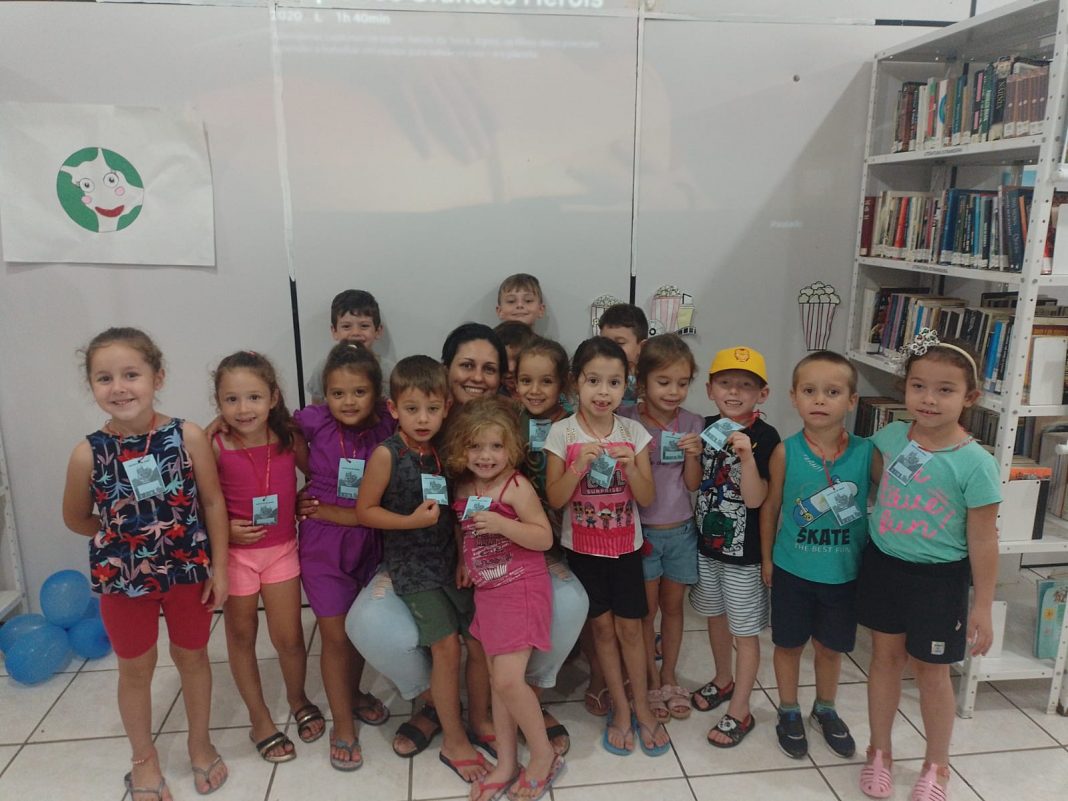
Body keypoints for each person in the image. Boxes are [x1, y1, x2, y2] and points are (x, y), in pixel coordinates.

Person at [346, 324, 586, 763]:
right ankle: (434, 706)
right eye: (467, 365)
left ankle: (517, 699)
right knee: (384, 625)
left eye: (489, 369)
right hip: (421, 556)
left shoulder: (510, 419)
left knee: (561, 604)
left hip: (498, 553)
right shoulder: (412, 434)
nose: (477, 376)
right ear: (446, 370)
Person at [61, 328, 230, 800]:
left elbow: (212, 503)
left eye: (131, 374)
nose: (119, 387)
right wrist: (121, 539)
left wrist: (220, 567)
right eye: (104, 378)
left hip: (187, 573)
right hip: (122, 581)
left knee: (193, 657)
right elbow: (76, 517)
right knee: (135, 669)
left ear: (158, 377)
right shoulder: (87, 453)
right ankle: (143, 758)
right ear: (92, 386)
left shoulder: (188, 436)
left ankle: (200, 743)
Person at [857, 334, 999, 801]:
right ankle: (879, 751)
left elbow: (984, 539)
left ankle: (937, 765)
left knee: (932, 672)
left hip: (939, 581)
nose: (929, 399)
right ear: (905, 388)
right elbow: (874, 482)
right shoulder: (890, 438)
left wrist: (982, 606)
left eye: (945, 390)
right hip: (884, 568)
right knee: (884, 659)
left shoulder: (976, 463)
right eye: (918, 386)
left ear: (970, 397)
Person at [356, 355, 490, 785]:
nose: (423, 418)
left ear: (447, 407)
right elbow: (365, 511)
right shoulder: (386, 454)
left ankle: (481, 720)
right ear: (393, 408)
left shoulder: (444, 451)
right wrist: (409, 521)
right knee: (446, 647)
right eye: (412, 409)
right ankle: (454, 740)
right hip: (412, 566)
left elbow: (455, 513)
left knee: (480, 639)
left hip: (450, 560)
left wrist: (465, 557)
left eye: (432, 408)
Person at [544, 337, 670, 757]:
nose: (603, 391)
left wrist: (631, 468)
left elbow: (647, 498)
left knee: (632, 629)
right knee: (601, 630)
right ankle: (620, 708)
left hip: (626, 548)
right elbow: (555, 498)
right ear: (575, 383)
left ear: (626, 386)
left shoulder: (634, 432)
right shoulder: (561, 433)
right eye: (593, 380)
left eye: (614, 382)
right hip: (583, 550)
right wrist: (579, 466)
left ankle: (643, 708)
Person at [446, 397, 563, 801]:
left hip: (521, 588)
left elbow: (543, 537)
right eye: (476, 446)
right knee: (499, 682)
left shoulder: (516, 487)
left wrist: (502, 524)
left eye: (496, 446)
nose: (486, 456)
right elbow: (464, 530)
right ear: (461, 449)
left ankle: (543, 756)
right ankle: (507, 764)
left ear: (511, 448)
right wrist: (463, 560)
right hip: (489, 592)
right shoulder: (465, 486)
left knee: (510, 680)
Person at [759, 351, 872, 760]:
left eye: (832, 392)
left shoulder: (867, 453)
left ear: (852, 400)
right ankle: (788, 709)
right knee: (788, 644)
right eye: (809, 391)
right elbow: (771, 507)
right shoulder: (785, 452)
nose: (820, 400)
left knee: (830, 648)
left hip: (844, 573)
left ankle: (825, 707)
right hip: (793, 570)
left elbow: (897, 498)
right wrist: (768, 559)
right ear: (794, 397)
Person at [211, 351, 321, 763]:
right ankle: (259, 719)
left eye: (254, 397)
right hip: (236, 556)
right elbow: (199, 500)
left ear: (273, 397)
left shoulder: (289, 437)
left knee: (289, 637)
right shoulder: (214, 443)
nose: (243, 409)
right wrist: (224, 530)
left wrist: (305, 499)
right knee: (241, 636)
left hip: (281, 550)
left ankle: (297, 697)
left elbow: (318, 475)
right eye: (231, 399)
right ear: (219, 403)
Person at [294, 342, 395, 771]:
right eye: (338, 393)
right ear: (325, 395)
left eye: (358, 392)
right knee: (335, 636)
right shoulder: (313, 421)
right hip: (324, 544)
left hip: (374, 540)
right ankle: (343, 725)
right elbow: (265, 428)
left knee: (359, 630)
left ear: (376, 392)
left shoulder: (389, 422)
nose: (348, 401)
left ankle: (353, 693)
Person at [690, 346, 780, 749]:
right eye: (725, 383)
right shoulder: (706, 427)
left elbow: (757, 500)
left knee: (744, 632)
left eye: (745, 385)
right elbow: (695, 483)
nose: (734, 392)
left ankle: (741, 709)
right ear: (710, 389)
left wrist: (745, 457)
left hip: (744, 555)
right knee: (714, 616)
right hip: (707, 546)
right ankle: (723, 679)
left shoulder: (766, 437)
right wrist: (692, 454)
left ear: (762, 394)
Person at [618, 334, 703, 723]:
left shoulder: (693, 422)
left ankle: (669, 676)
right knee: (646, 612)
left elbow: (692, 484)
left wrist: (693, 455)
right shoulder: (627, 420)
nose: (673, 391)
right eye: (664, 382)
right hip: (643, 533)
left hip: (682, 531)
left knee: (673, 609)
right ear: (642, 381)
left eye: (682, 383)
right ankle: (650, 680)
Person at [306, 289, 392, 404]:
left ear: (378, 331)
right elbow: (317, 408)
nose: (355, 333)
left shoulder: (389, 372)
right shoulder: (322, 369)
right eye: (346, 326)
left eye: (364, 326)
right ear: (334, 331)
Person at [598, 303, 648, 405]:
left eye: (619, 343)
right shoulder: (595, 374)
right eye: (604, 342)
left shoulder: (650, 380)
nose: (609, 349)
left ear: (642, 346)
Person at [494, 320, 537, 398]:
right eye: (503, 359)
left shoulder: (546, 392)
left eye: (517, 359)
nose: (510, 368)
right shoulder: (492, 395)